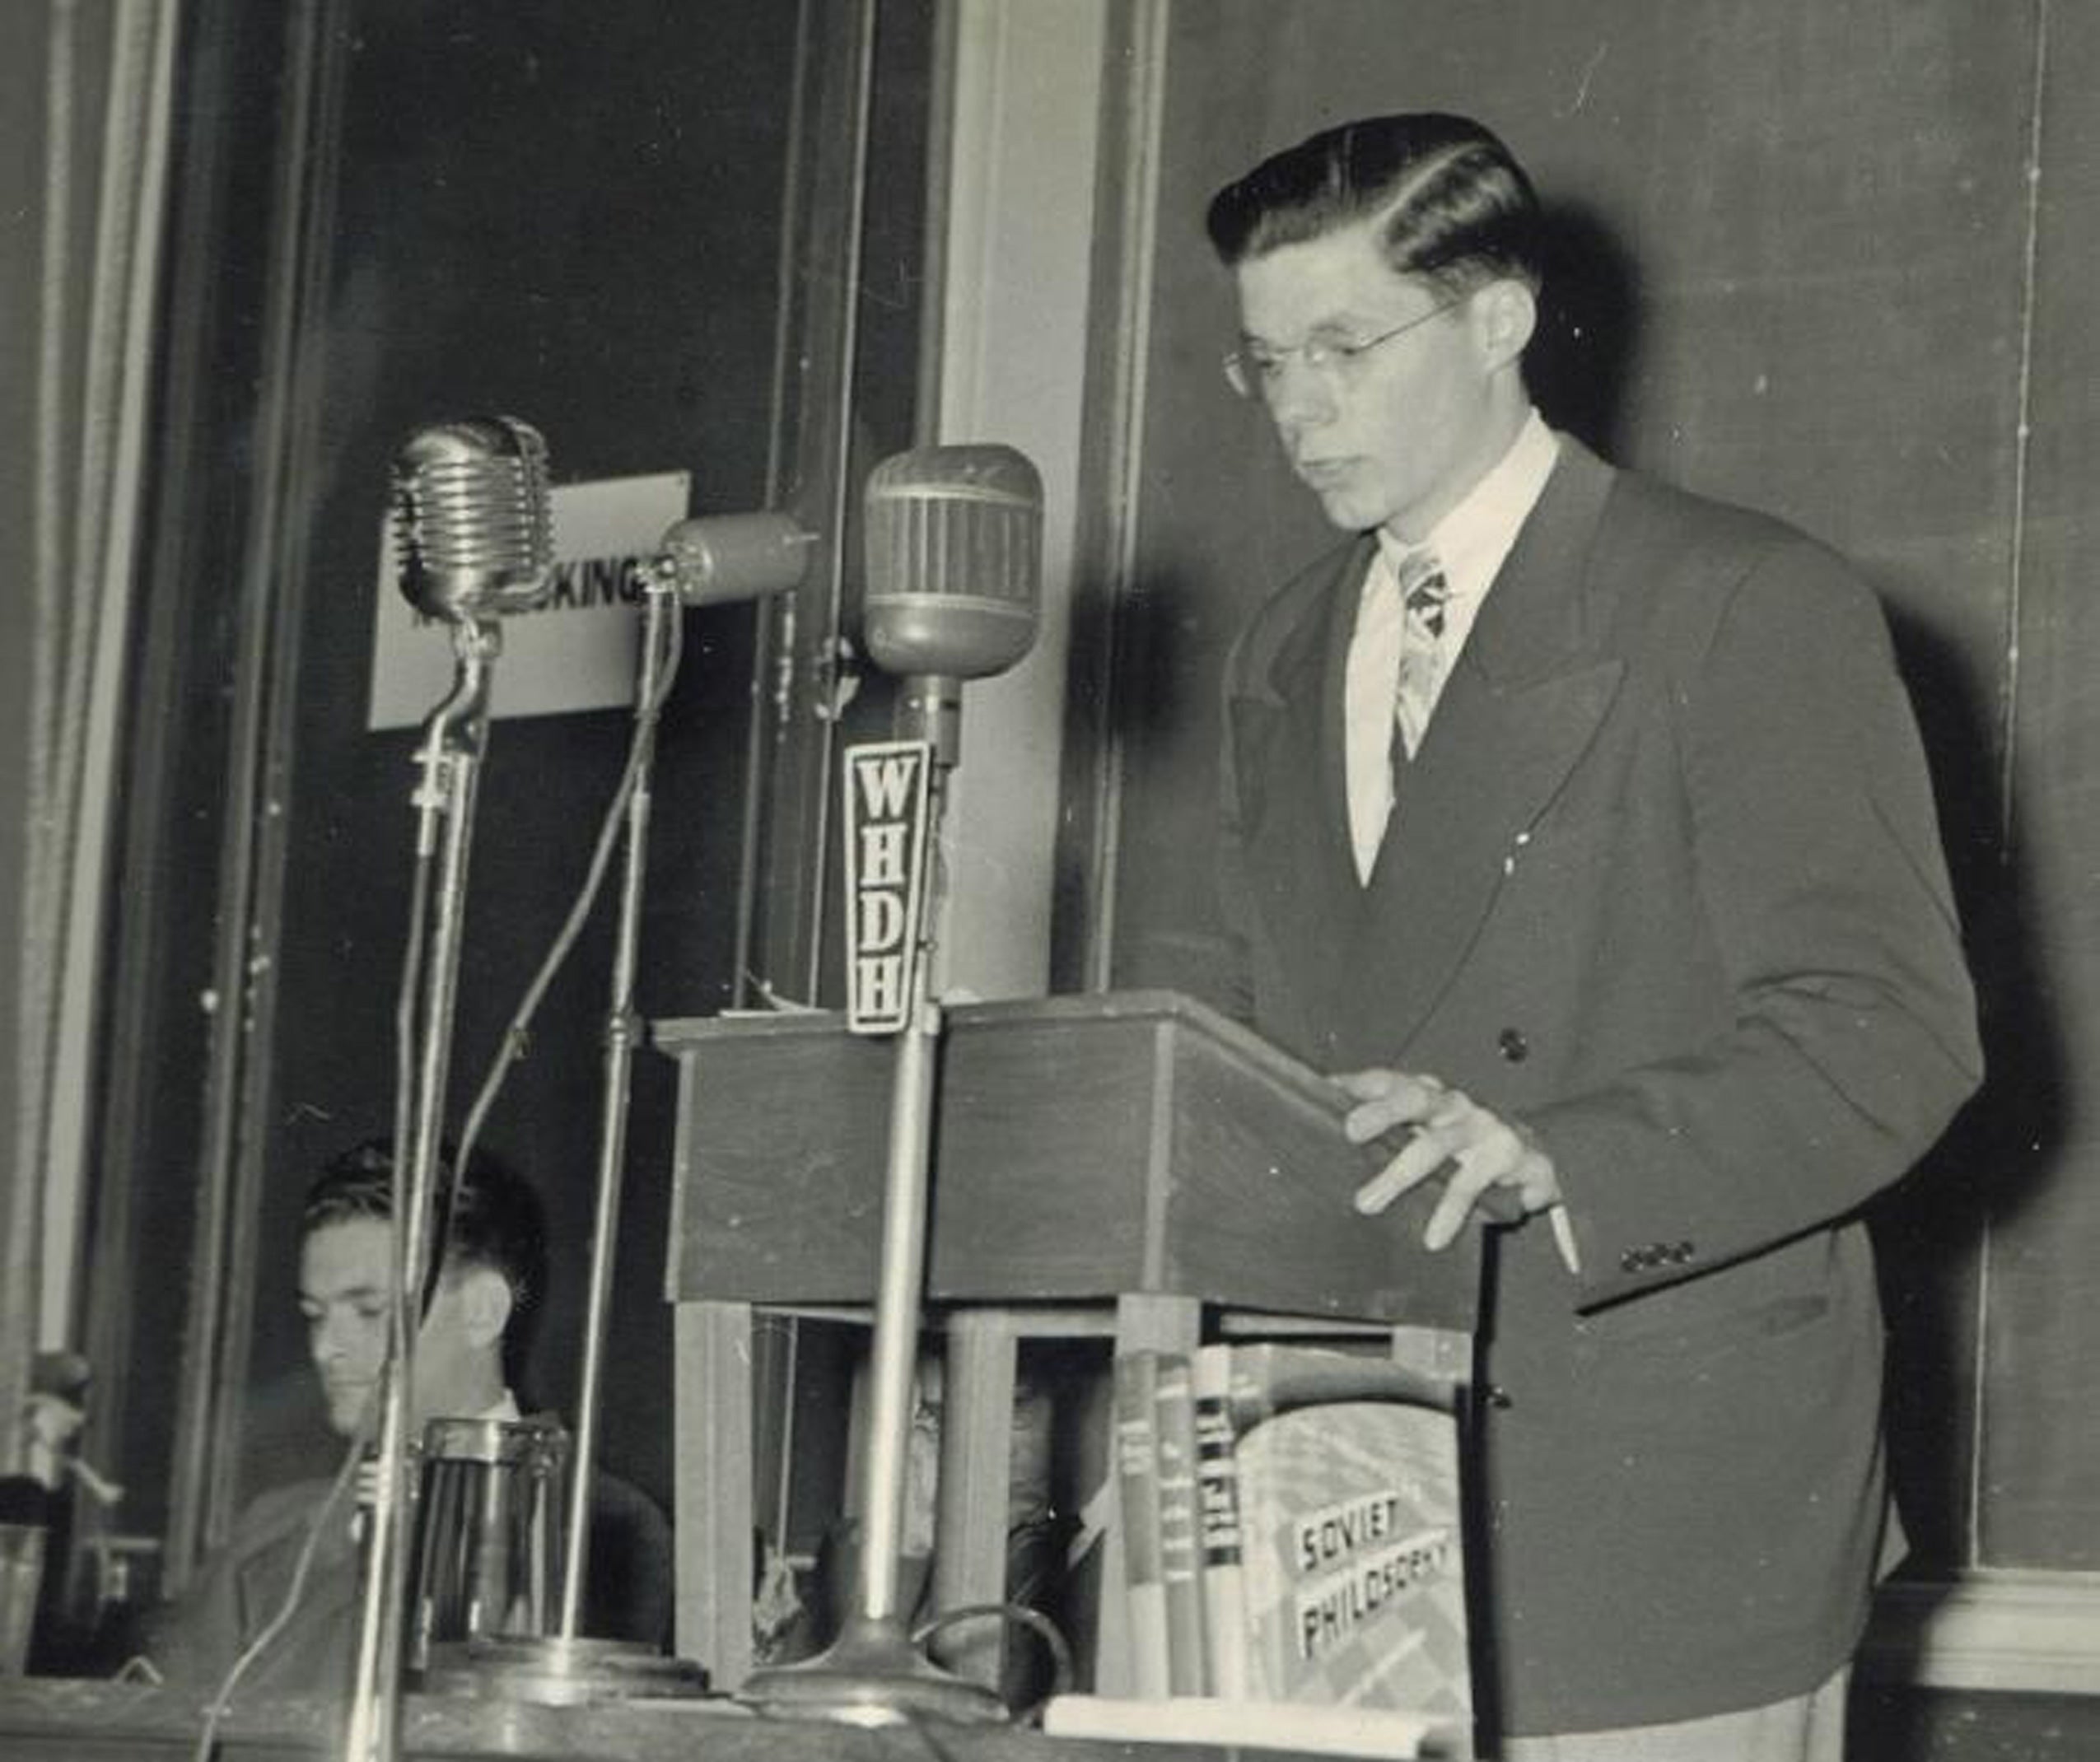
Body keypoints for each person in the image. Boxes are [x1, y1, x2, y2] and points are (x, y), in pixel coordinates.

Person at [1202, 114, 1981, 1758]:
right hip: (1347, 1501)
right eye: (1266, 363)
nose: (1299, 408)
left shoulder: (1737, 599)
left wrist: (1565, 1153)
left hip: (1652, 1507)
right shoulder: (1283, 652)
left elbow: (1888, 1032)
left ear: (1499, 317)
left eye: (1343, 346)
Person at [147, 1137, 672, 1699]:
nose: (327, 1347)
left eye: (369, 1311)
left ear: (483, 1311)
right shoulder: (268, 1535)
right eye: (314, 1314)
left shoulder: (604, 1527)